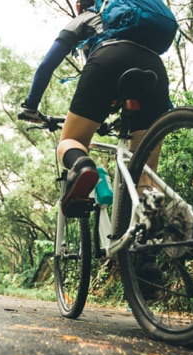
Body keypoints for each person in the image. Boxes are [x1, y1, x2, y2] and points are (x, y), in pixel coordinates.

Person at [19, 0, 171, 215]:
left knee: (71, 141)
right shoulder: (138, 23)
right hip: (155, 68)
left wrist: (31, 105)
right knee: (145, 174)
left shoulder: (86, 17)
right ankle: (157, 234)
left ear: (81, 5)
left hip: (109, 57)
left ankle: (82, 167)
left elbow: (47, 65)